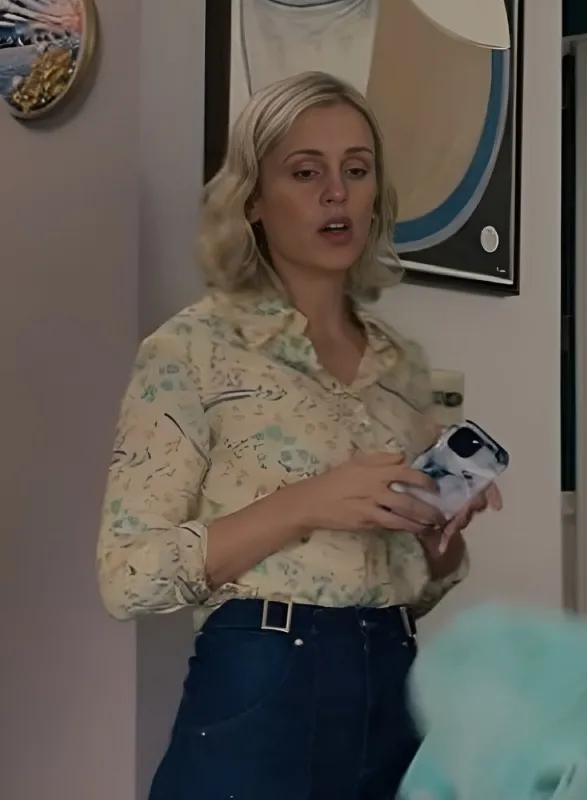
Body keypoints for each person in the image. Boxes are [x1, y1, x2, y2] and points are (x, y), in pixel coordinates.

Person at [97, 71, 502, 800]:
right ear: (252, 199)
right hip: (260, 686)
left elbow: (409, 585)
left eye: (357, 169)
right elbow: (127, 576)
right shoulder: (191, 350)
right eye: (306, 172)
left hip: (392, 681)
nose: (336, 193)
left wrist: (440, 542)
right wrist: (306, 502)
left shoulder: (401, 366)